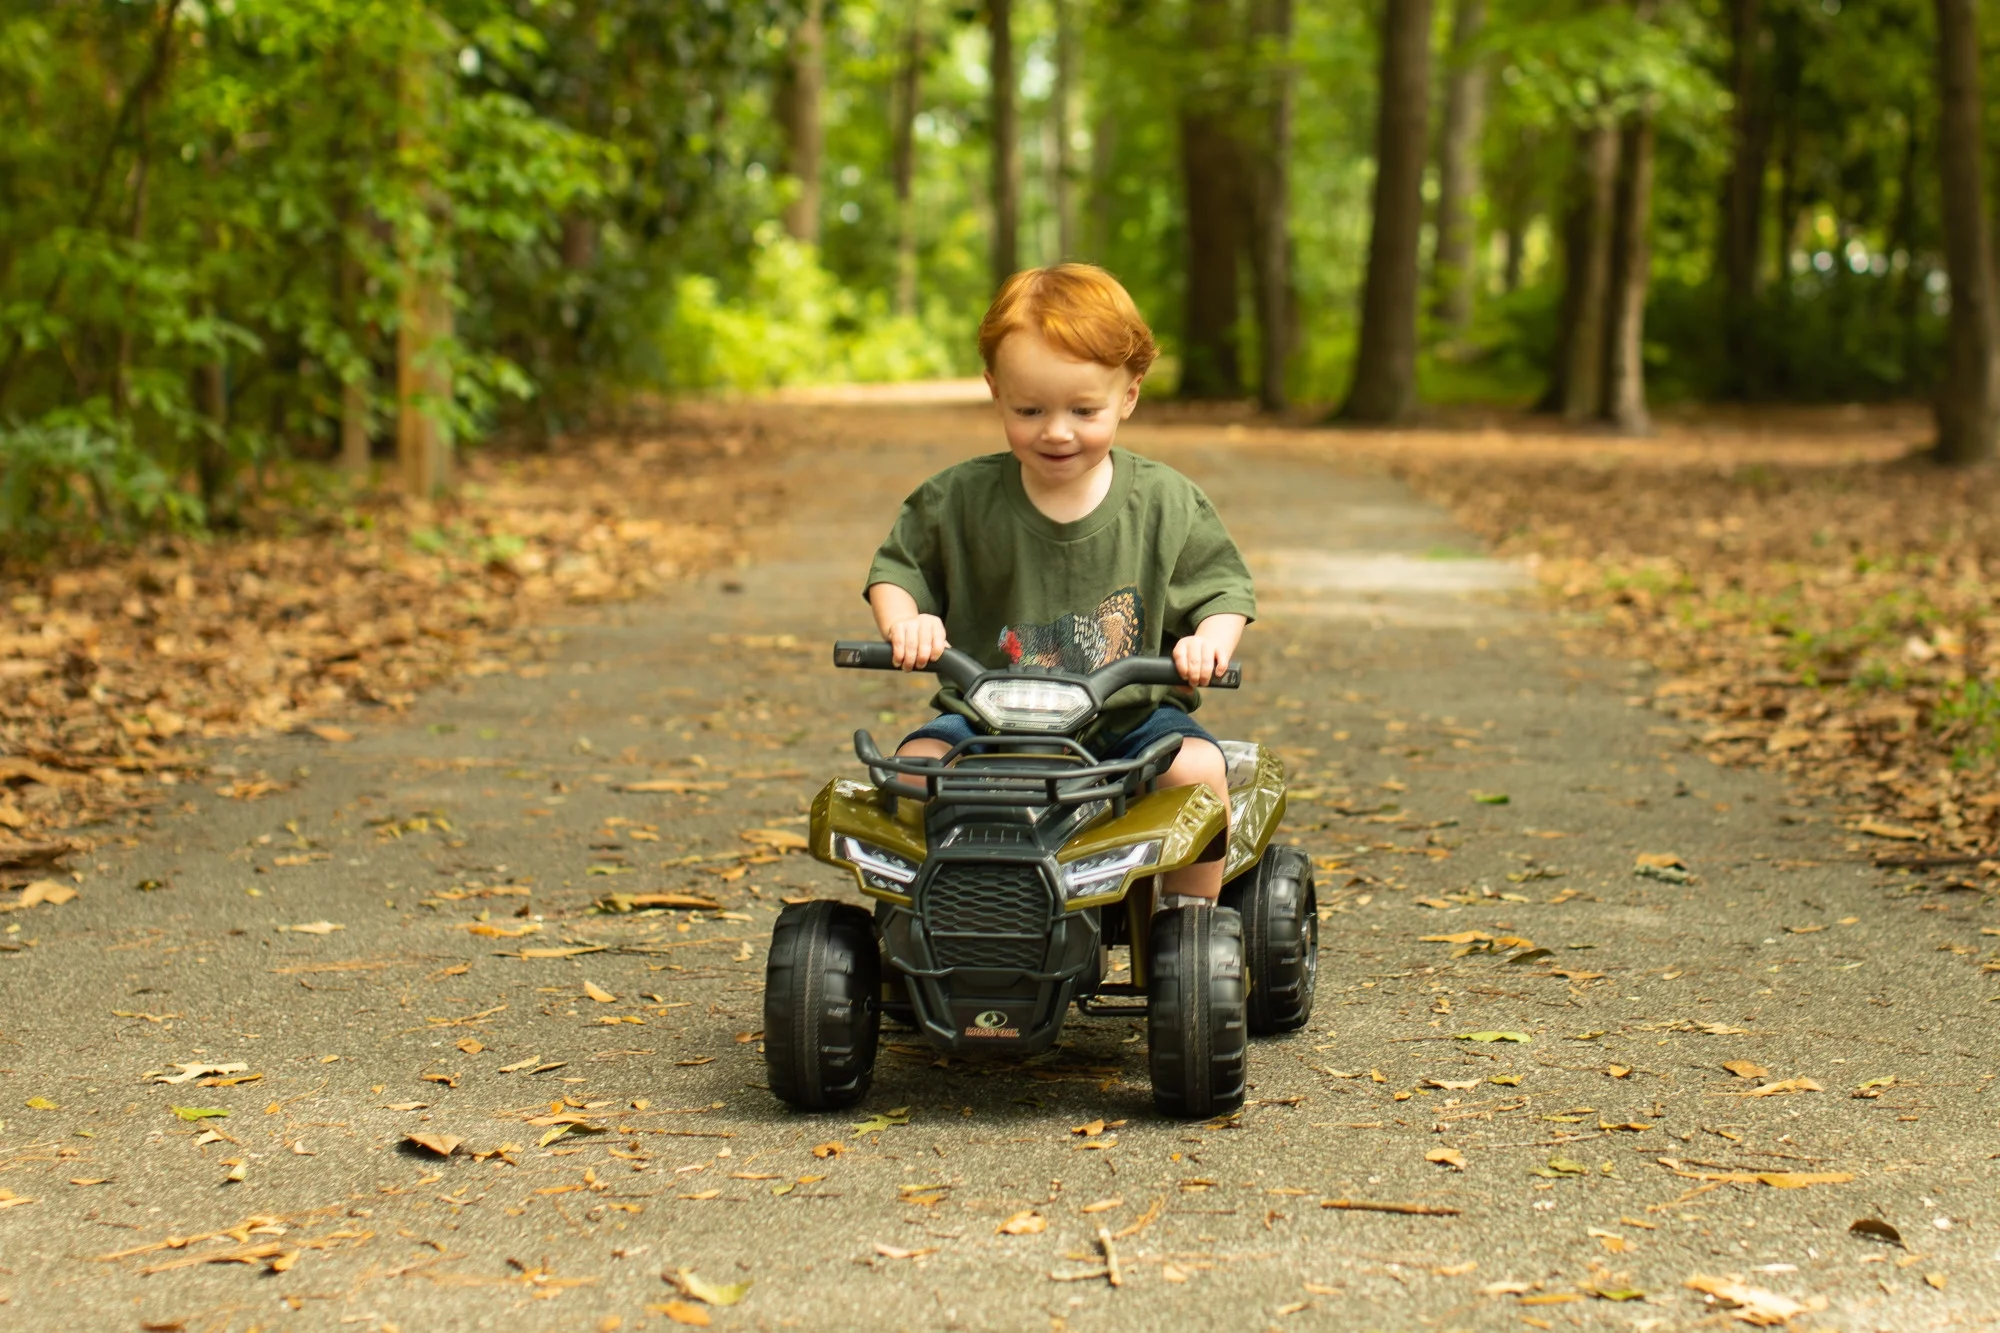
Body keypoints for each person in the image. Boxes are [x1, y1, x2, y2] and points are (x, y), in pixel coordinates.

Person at [863, 263, 1256, 904]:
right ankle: (921, 921)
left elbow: (1222, 592)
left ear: (1129, 395)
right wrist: (905, 619)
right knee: (914, 775)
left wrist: (1210, 640)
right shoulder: (957, 500)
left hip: (1129, 721)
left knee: (1197, 768)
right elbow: (898, 571)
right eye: (1029, 409)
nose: (1056, 430)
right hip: (986, 721)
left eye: (1083, 409)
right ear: (995, 391)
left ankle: (1187, 925)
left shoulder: (1167, 504)